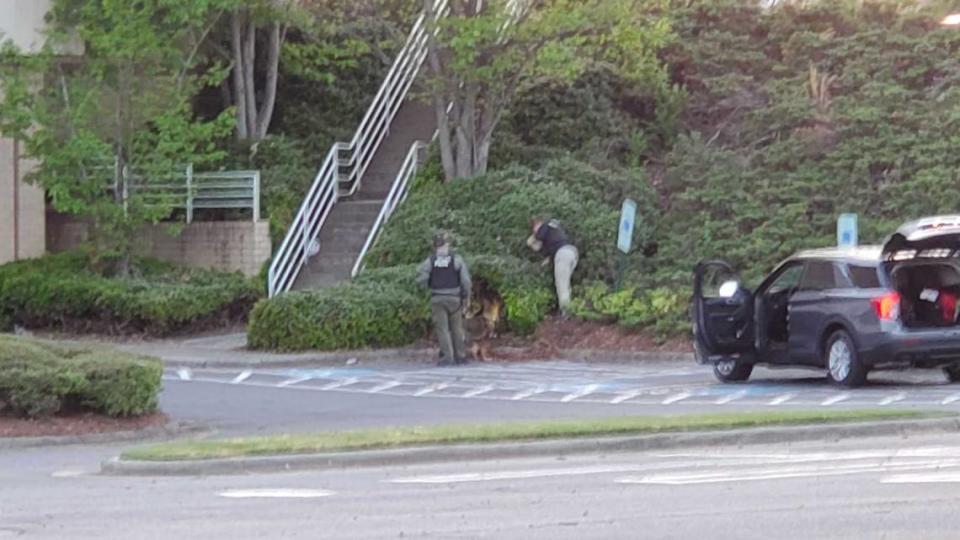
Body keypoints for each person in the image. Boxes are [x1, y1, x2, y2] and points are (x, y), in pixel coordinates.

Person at [417, 233, 472, 366]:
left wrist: (426, 289)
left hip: (437, 298)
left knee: (442, 329)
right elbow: (466, 280)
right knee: (457, 328)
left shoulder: (430, 261)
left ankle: (448, 357)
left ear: (435, 246)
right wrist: (467, 295)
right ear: (446, 245)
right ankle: (461, 356)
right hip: (454, 298)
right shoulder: (456, 259)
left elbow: (422, 279)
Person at [527, 217, 578, 313]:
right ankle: (570, 309)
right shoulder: (553, 227)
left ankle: (566, 313)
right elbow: (551, 246)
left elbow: (537, 241)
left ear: (537, 224)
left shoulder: (544, 226)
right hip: (571, 252)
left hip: (562, 254)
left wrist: (531, 239)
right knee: (565, 284)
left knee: (562, 286)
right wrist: (548, 259)